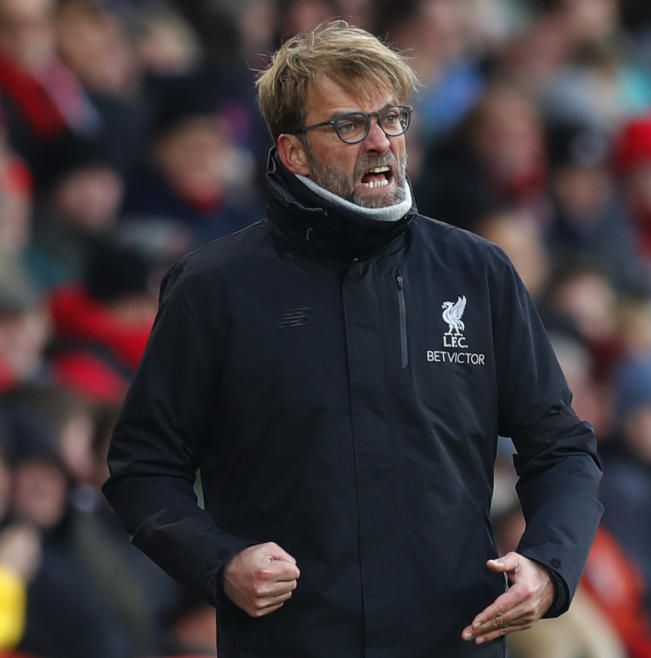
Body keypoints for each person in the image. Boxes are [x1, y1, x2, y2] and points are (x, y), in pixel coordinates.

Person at [102, 20, 603, 658]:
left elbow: (561, 446)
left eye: (392, 118)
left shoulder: (477, 271)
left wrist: (548, 566)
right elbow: (143, 469)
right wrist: (221, 564)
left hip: (453, 642)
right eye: (348, 125)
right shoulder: (213, 287)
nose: (379, 142)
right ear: (293, 153)